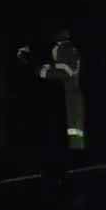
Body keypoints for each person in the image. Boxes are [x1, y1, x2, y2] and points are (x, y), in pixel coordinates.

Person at [17, 27, 85, 185]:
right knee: (53, 135)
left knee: (60, 136)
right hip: (55, 99)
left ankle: (61, 172)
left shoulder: (66, 49)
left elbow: (65, 72)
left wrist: (43, 72)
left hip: (63, 99)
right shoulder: (55, 48)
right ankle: (56, 171)